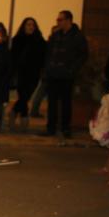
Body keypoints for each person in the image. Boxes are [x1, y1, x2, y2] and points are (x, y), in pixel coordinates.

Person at [43, 10, 88, 138]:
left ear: (68, 20)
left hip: (67, 76)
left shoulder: (78, 36)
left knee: (66, 103)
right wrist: (48, 69)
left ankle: (65, 128)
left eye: (60, 20)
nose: (58, 22)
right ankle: (50, 128)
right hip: (53, 74)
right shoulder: (56, 36)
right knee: (52, 103)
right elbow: (49, 53)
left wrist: (72, 69)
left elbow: (83, 55)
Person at [9, 17, 46, 131]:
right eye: (28, 25)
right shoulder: (17, 40)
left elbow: (43, 57)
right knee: (23, 95)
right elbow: (12, 57)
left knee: (27, 95)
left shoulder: (40, 41)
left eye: (32, 25)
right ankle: (24, 117)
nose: (30, 27)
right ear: (23, 26)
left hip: (34, 74)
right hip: (20, 74)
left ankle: (14, 110)